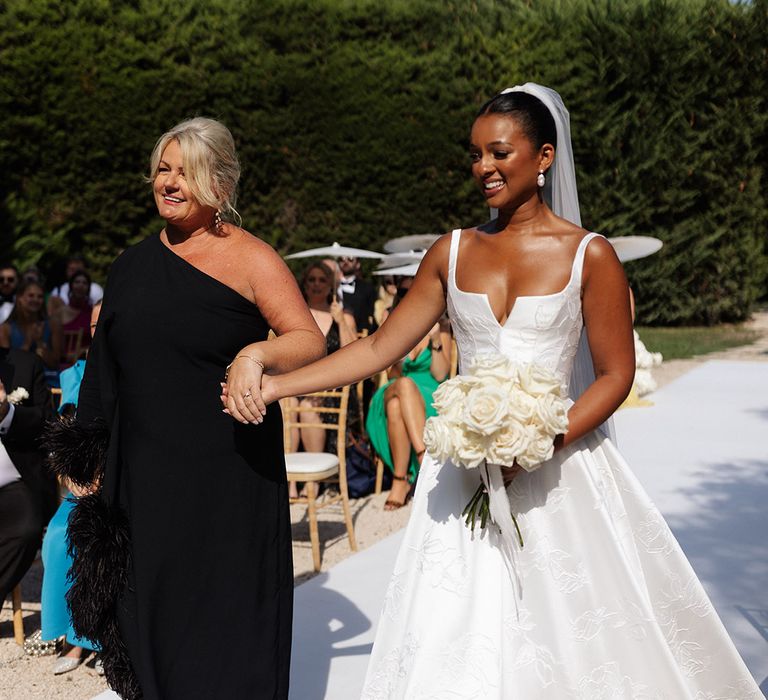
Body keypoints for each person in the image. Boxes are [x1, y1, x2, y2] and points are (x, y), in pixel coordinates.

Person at [245, 84, 761, 698]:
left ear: (544, 158)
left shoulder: (589, 256)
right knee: (454, 632)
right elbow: (378, 349)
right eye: (474, 155)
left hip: (562, 468)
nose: (483, 168)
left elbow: (615, 375)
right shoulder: (452, 251)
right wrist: (278, 385)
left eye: (498, 153)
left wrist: (540, 440)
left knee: (572, 637)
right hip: (462, 472)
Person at [46, 117, 325, 700]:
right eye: (162, 169)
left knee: (225, 614)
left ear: (220, 184)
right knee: (150, 614)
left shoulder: (253, 260)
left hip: (229, 478)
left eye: (186, 173)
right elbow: (103, 365)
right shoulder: (129, 265)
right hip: (143, 478)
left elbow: (307, 339)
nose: (168, 182)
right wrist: (87, 452)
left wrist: (256, 352)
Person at [41, 300, 102, 676]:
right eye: (94, 325)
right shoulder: (75, 376)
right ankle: (75, 636)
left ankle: (111, 636)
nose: (101, 330)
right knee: (59, 533)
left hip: (132, 479)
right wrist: (76, 480)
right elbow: (63, 442)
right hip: (86, 481)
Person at [365, 277, 451, 510]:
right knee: (403, 384)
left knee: (396, 406)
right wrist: (397, 351)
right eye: (403, 291)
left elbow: (441, 373)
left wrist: (435, 340)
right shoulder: (395, 325)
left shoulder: (440, 327)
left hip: (429, 393)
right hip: (396, 385)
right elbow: (390, 374)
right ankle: (424, 456)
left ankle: (400, 481)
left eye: (414, 289)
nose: (409, 295)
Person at [285, 262, 356, 474]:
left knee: (307, 409)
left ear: (330, 286)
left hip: (330, 387)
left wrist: (341, 321)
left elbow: (354, 354)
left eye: (322, 280)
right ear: (304, 285)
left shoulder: (343, 315)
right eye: (311, 279)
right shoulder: (293, 314)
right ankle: (290, 478)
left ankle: (312, 481)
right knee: (284, 404)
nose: (316, 284)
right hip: (297, 382)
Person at [0, 344, 55, 605]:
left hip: (13, 480)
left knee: (26, 530)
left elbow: (49, 423)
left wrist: (8, 414)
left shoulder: (25, 364)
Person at [0, 280, 62, 374]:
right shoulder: (5, 329)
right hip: (17, 379)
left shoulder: (53, 324)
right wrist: (28, 342)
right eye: (31, 296)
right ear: (20, 298)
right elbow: (7, 364)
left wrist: (39, 343)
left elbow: (55, 364)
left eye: (40, 296)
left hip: (47, 379)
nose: (36, 300)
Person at [53, 270, 93, 366]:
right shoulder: (60, 312)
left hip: (86, 363)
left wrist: (83, 351)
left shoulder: (94, 313)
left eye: (84, 283)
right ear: (71, 286)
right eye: (77, 282)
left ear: (88, 288)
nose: (80, 286)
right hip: (62, 364)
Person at [338, 255, 377, 332]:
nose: (345, 262)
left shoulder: (367, 288)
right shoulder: (330, 287)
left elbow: (371, 314)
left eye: (350, 259)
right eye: (341, 259)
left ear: (358, 264)